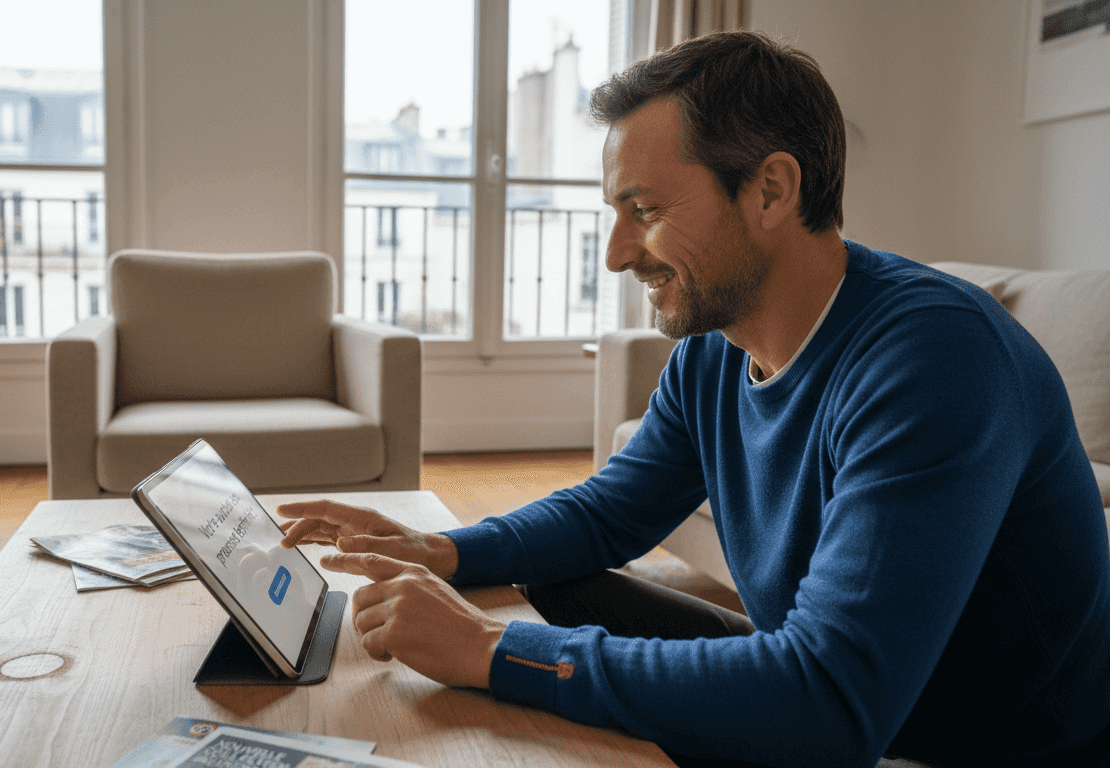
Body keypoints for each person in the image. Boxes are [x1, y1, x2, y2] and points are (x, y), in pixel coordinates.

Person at [279, 31, 1110, 768]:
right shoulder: (718, 345)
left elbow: (832, 704)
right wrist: (442, 551)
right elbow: (612, 513)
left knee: (511, 649)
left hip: (946, 747)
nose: (615, 255)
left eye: (643, 210)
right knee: (548, 588)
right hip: (824, 684)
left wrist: (491, 650)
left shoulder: (935, 360)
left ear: (771, 191)